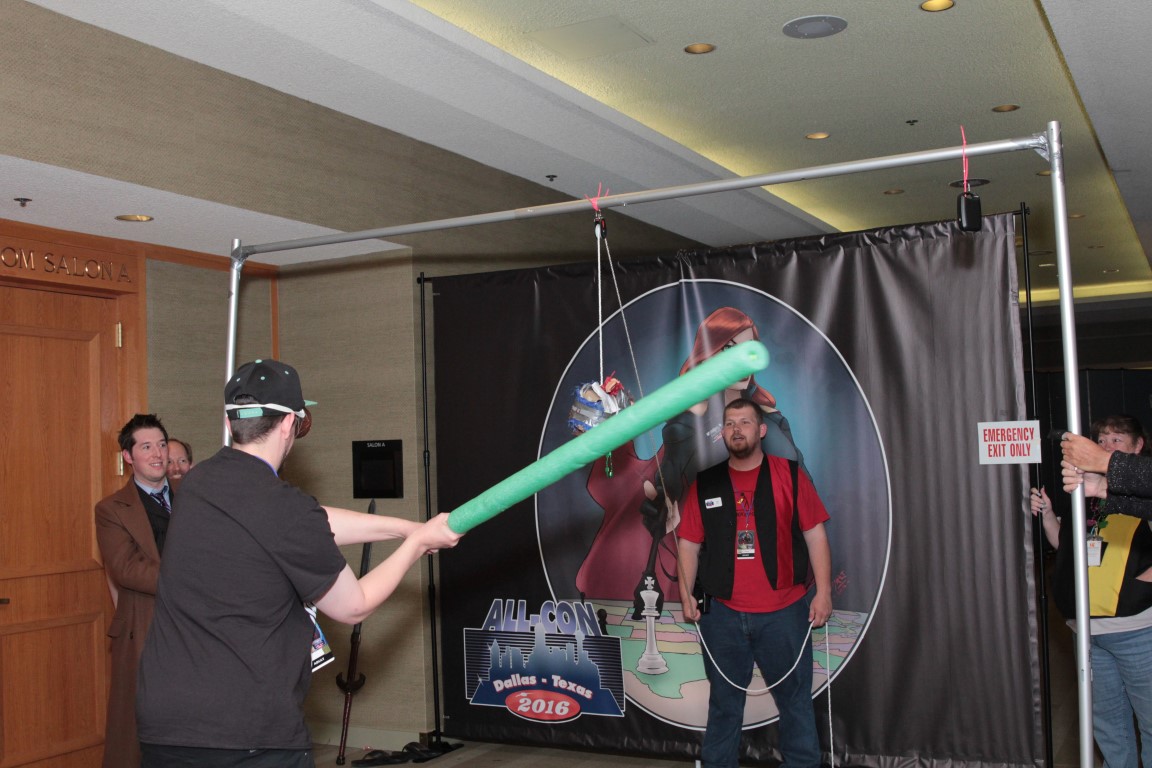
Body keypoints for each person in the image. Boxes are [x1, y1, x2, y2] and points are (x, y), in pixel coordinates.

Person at [136, 359, 463, 768]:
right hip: (246, 731)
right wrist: (416, 545)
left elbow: (309, 521)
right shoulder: (284, 508)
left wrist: (403, 528)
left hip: (166, 720)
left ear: (230, 421)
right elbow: (353, 605)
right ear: (290, 423)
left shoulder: (197, 483)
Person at [676, 397, 832, 768]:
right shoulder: (706, 483)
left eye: (745, 422)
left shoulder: (790, 475)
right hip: (722, 616)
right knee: (724, 704)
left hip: (785, 614)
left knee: (795, 703)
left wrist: (824, 593)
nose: (737, 430)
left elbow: (815, 535)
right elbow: (688, 544)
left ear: (761, 430)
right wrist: (685, 595)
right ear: (722, 433)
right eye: (730, 423)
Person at [1033, 415, 1152, 768]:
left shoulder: (1143, 490)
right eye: (1101, 439)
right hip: (1086, 630)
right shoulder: (1086, 492)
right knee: (1108, 726)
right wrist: (1049, 516)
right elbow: (1067, 547)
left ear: (1138, 446)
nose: (1106, 446)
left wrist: (1142, 586)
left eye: (1117, 439)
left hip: (1137, 629)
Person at [95, 413, 174, 768]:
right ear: (128, 456)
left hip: (196, 624)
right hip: (143, 625)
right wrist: (192, 580)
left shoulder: (193, 497)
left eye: (161, 445)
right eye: (146, 447)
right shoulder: (111, 509)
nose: (157, 454)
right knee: (136, 730)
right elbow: (126, 569)